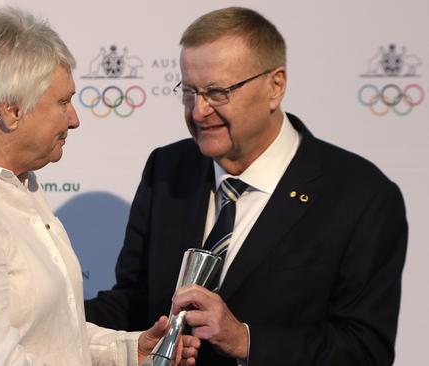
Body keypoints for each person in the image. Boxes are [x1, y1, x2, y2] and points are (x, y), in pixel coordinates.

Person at [85, 6, 407, 366]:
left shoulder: (360, 197)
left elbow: (365, 349)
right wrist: (37, 318)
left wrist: (245, 340)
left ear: (275, 86)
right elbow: (134, 301)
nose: (198, 111)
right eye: (189, 91)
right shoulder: (168, 168)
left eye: (217, 92)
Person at [0, 7, 199, 366]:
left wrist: (129, 351)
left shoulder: (13, 184)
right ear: (11, 111)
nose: (74, 120)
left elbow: (50, 333)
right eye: (63, 102)